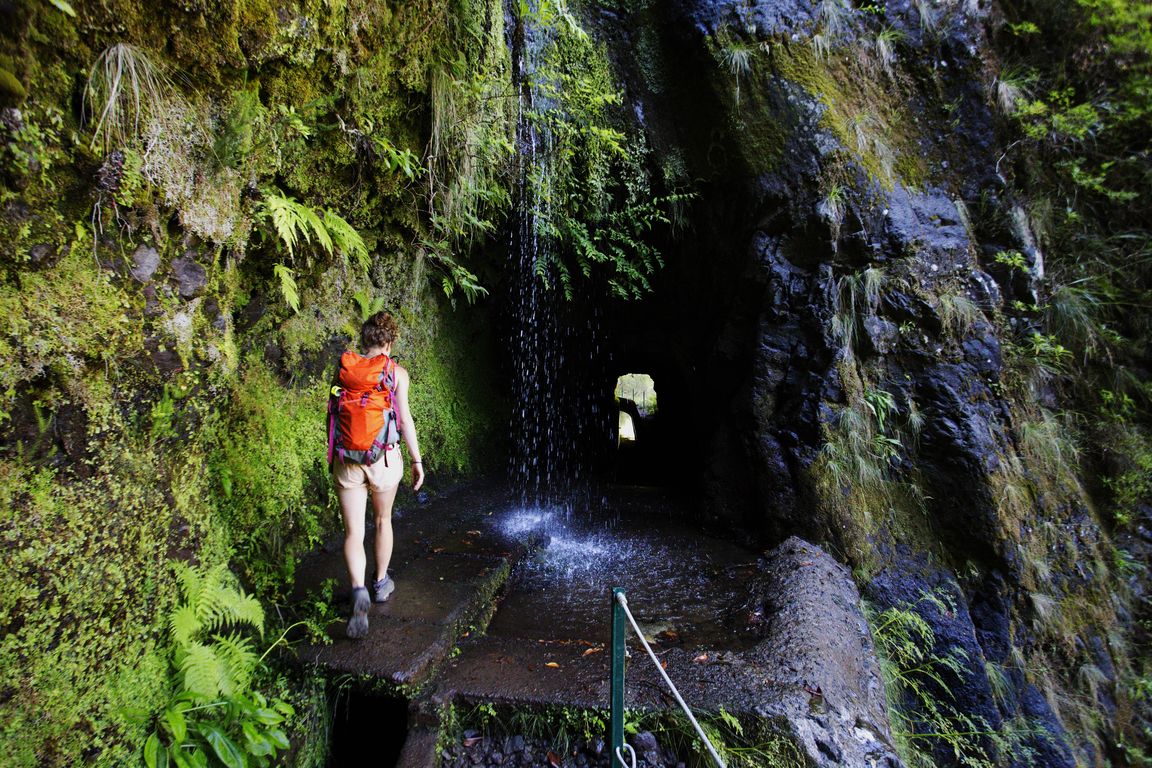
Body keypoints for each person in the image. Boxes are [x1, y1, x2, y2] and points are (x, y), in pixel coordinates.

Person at [329, 311, 425, 639]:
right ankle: (380, 583)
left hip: (347, 460)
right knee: (383, 521)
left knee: (353, 533)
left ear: (365, 338)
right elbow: (405, 420)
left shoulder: (345, 369)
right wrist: (417, 460)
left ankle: (358, 590)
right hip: (383, 460)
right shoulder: (397, 374)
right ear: (390, 341)